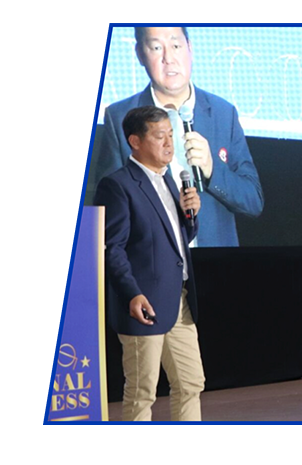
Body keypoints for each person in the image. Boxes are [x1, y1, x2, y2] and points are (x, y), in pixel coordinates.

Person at [93, 27, 263, 247]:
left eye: (175, 46)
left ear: (190, 48)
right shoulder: (120, 118)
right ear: (140, 54)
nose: (169, 58)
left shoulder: (223, 113)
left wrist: (212, 170)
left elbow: (253, 201)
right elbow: (106, 212)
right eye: (156, 48)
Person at [94, 106, 205, 421]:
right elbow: (112, 248)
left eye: (171, 135)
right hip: (143, 304)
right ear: (135, 141)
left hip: (179, 300)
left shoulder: (169, 180)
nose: (169, 143)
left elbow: (172, 241)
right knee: (142, 393)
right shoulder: (118, 185)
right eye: (159, 136)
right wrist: (132, 293)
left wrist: (190, 218)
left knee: (191, 383)